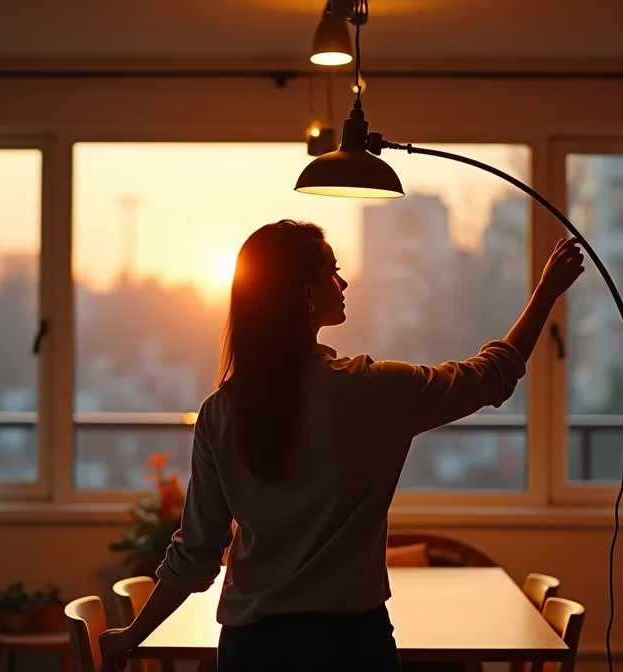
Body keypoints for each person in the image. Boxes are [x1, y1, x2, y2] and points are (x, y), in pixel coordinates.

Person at [98, 220, 585, 671]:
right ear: (307, 294)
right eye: (332, 269)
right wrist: (546, 293)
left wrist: (132, 634)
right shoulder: (370, 390)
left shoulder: (220, 411)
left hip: (252, 651)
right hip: (350, 645)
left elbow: (198, 554)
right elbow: (490, 377)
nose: (344, 282)